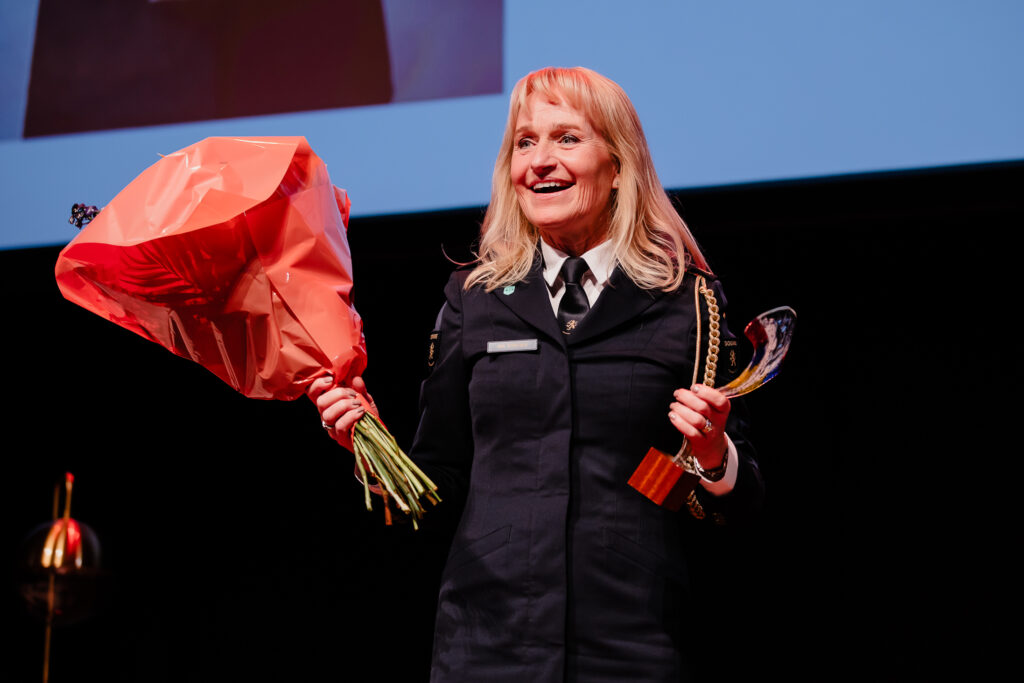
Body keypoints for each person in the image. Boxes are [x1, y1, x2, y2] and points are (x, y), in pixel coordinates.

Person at [308, 66, 763, 682]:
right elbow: (435, 491)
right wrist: (371, 445)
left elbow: (741, 508)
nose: (539, 161)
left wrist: (713, 456)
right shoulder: (474, 298)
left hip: (634, 647)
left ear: (619, 165)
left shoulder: (689, 302)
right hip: (489, 647)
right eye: (525, 142)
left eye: (567, 139)